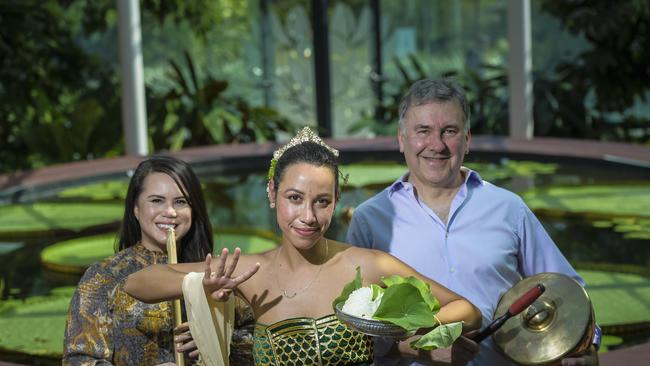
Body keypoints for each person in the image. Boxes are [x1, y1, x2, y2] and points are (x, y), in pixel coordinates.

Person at [124, 127, 483, 366]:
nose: (308, 216)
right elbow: (138, 282)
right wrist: (200, 284)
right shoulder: (250, 271)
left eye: (322, 202)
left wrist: (411, 331)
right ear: (272, 194)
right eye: (295, 198)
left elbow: (466, 309)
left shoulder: (368, 265)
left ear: (337, 199)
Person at [346, 78, 601, 366]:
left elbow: (568, 292)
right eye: (423, 131)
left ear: (467, 140)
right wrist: (418, 348)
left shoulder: (508, 208)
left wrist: (586, 348)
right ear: (402, 139)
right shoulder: (369, 221)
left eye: (449, 131)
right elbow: (351, 333)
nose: (437, 144)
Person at [63, 155, 220, 365]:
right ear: (136, 208)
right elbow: (78, 360)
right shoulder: (103, 277)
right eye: (156, 200)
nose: (170, 212)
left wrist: (216, 338)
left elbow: (256, 340)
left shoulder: (215, 273)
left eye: (181, 202)